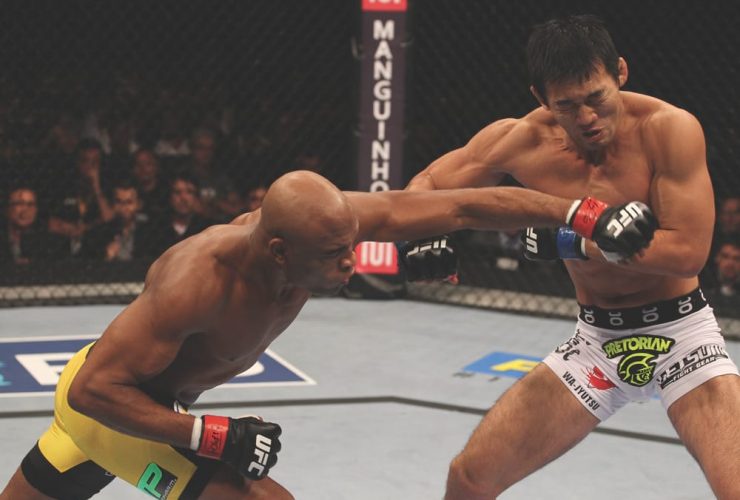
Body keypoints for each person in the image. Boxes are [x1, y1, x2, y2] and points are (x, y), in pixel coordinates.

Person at [0, 170, 654, 500]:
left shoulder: (309, 240)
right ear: (280, 252)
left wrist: (583, 214)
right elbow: (90, 392)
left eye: (352, 247)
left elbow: (462, 206)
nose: (350, 262)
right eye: (336, 256)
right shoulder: (195, 282)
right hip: (111, 410)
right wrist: (209, 435)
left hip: (135, 409)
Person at [403, 14, 740, 500]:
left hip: (682, 335)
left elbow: (687, 253)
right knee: (470, 479)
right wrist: (422, 236)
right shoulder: (520, 139)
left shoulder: (668, 129)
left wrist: (571, 241)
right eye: (566, 105)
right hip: (596, 341)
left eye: (596, 98)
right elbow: (430, 184)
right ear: (541, 98)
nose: (586, 118)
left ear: (620, 72)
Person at [80, 180, 152, 261]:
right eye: (119, 202)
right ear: (112, 203)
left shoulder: (148, 234)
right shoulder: (98, 233)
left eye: (129, 202)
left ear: (138, 205)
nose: (123, 208)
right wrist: (105, 256)